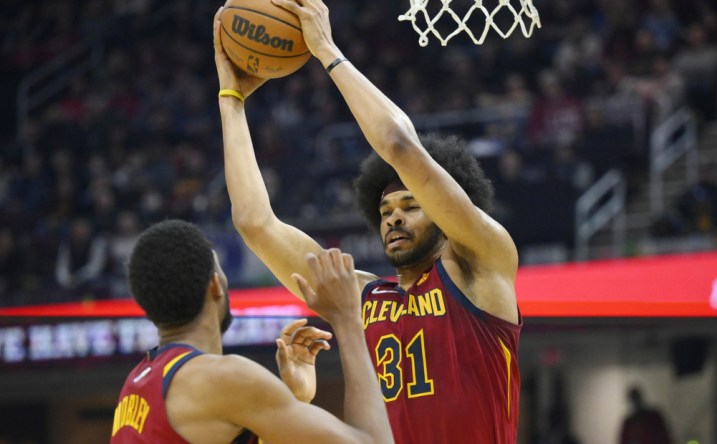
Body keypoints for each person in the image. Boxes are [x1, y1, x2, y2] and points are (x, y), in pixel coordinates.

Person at [214, 1, 522, 442]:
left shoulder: (483, 262)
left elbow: (398, 143)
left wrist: (326, 51)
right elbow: (254, 222)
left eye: (410, 205)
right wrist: (232, 99)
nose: (394, 217)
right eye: (384, 212)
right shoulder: (362, 296)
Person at [110, 219, 394, 444]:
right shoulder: (222, 378)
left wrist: (295, 398)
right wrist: (347, 320)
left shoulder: (136, 383)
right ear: (215, 286)